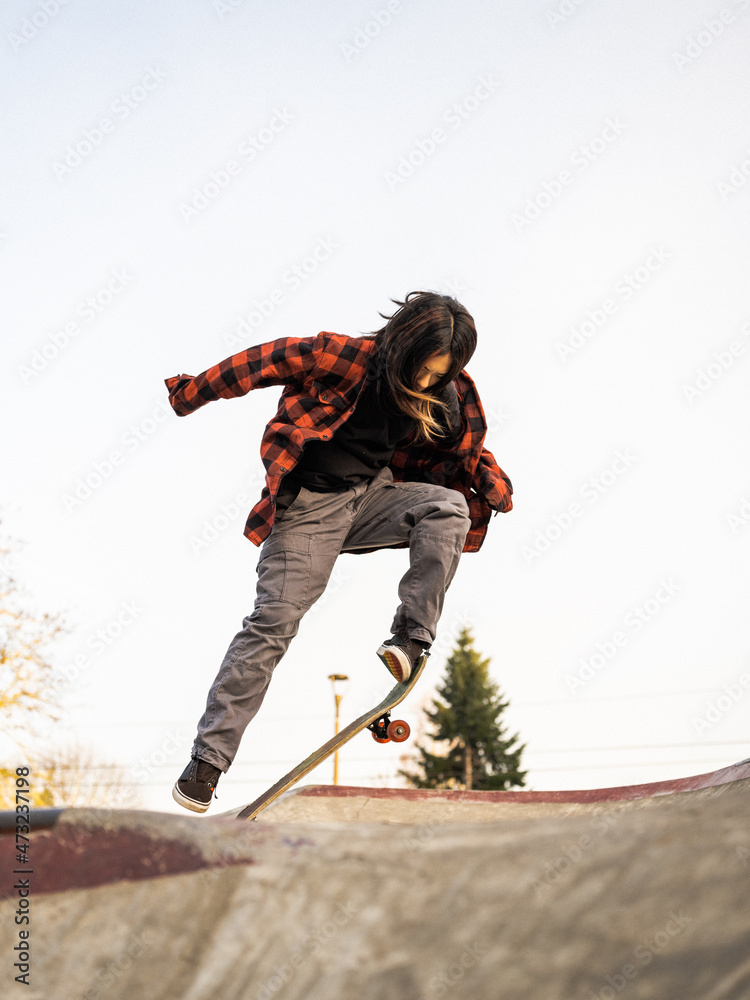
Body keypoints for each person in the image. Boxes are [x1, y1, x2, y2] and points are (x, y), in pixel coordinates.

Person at [165, 290, 513, 812]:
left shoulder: (450, 392)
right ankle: (207, 761)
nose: (425, 382)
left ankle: (411, 637)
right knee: (273, 623)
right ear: (405, 344)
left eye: (438, 373)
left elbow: (469, 450)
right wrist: (191, 392)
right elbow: (264, 359)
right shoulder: (343, 357)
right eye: (422, 368)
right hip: (309, 512)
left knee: (447, 508)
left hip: (374, 498)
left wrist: (493, 484)